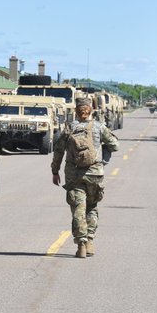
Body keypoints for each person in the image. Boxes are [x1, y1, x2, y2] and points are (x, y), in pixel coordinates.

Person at [52, 95, 119, 258]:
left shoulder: (69, 128)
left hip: (74, 175)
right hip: (94, 173)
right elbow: (115, 145)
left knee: (78, 209)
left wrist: (55, 171)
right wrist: (103, 157)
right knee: (91, 207)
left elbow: (58, 151)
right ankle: (90, 241)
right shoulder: (99, 127)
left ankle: (81, 244)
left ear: (76, 111)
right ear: (91, 110)